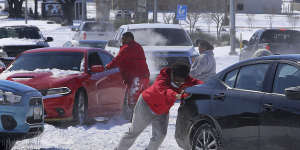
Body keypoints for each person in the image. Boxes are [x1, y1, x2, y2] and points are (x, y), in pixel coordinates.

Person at [115, 63, 203, 150]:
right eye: (178, 81)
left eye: (182, 81)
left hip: (162, 111)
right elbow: (163, 90)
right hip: (146, 105)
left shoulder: (184, 78)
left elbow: (197, 83)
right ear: (172, 73)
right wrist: (175, 95)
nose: (180, 83)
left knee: (160, 136)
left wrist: (206, 86)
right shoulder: (162, 78)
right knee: (134, 132)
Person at [105, 32, 150, 120]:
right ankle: (141, 116)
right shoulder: (137, 46)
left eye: (124, 38)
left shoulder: (128, 48)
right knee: (140, 97)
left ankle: (136, 118)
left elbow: (118, 60)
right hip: (143, 75)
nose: (122, 40)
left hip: (137, 76)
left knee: (133, 98)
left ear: (129, 38)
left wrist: (107, 67)